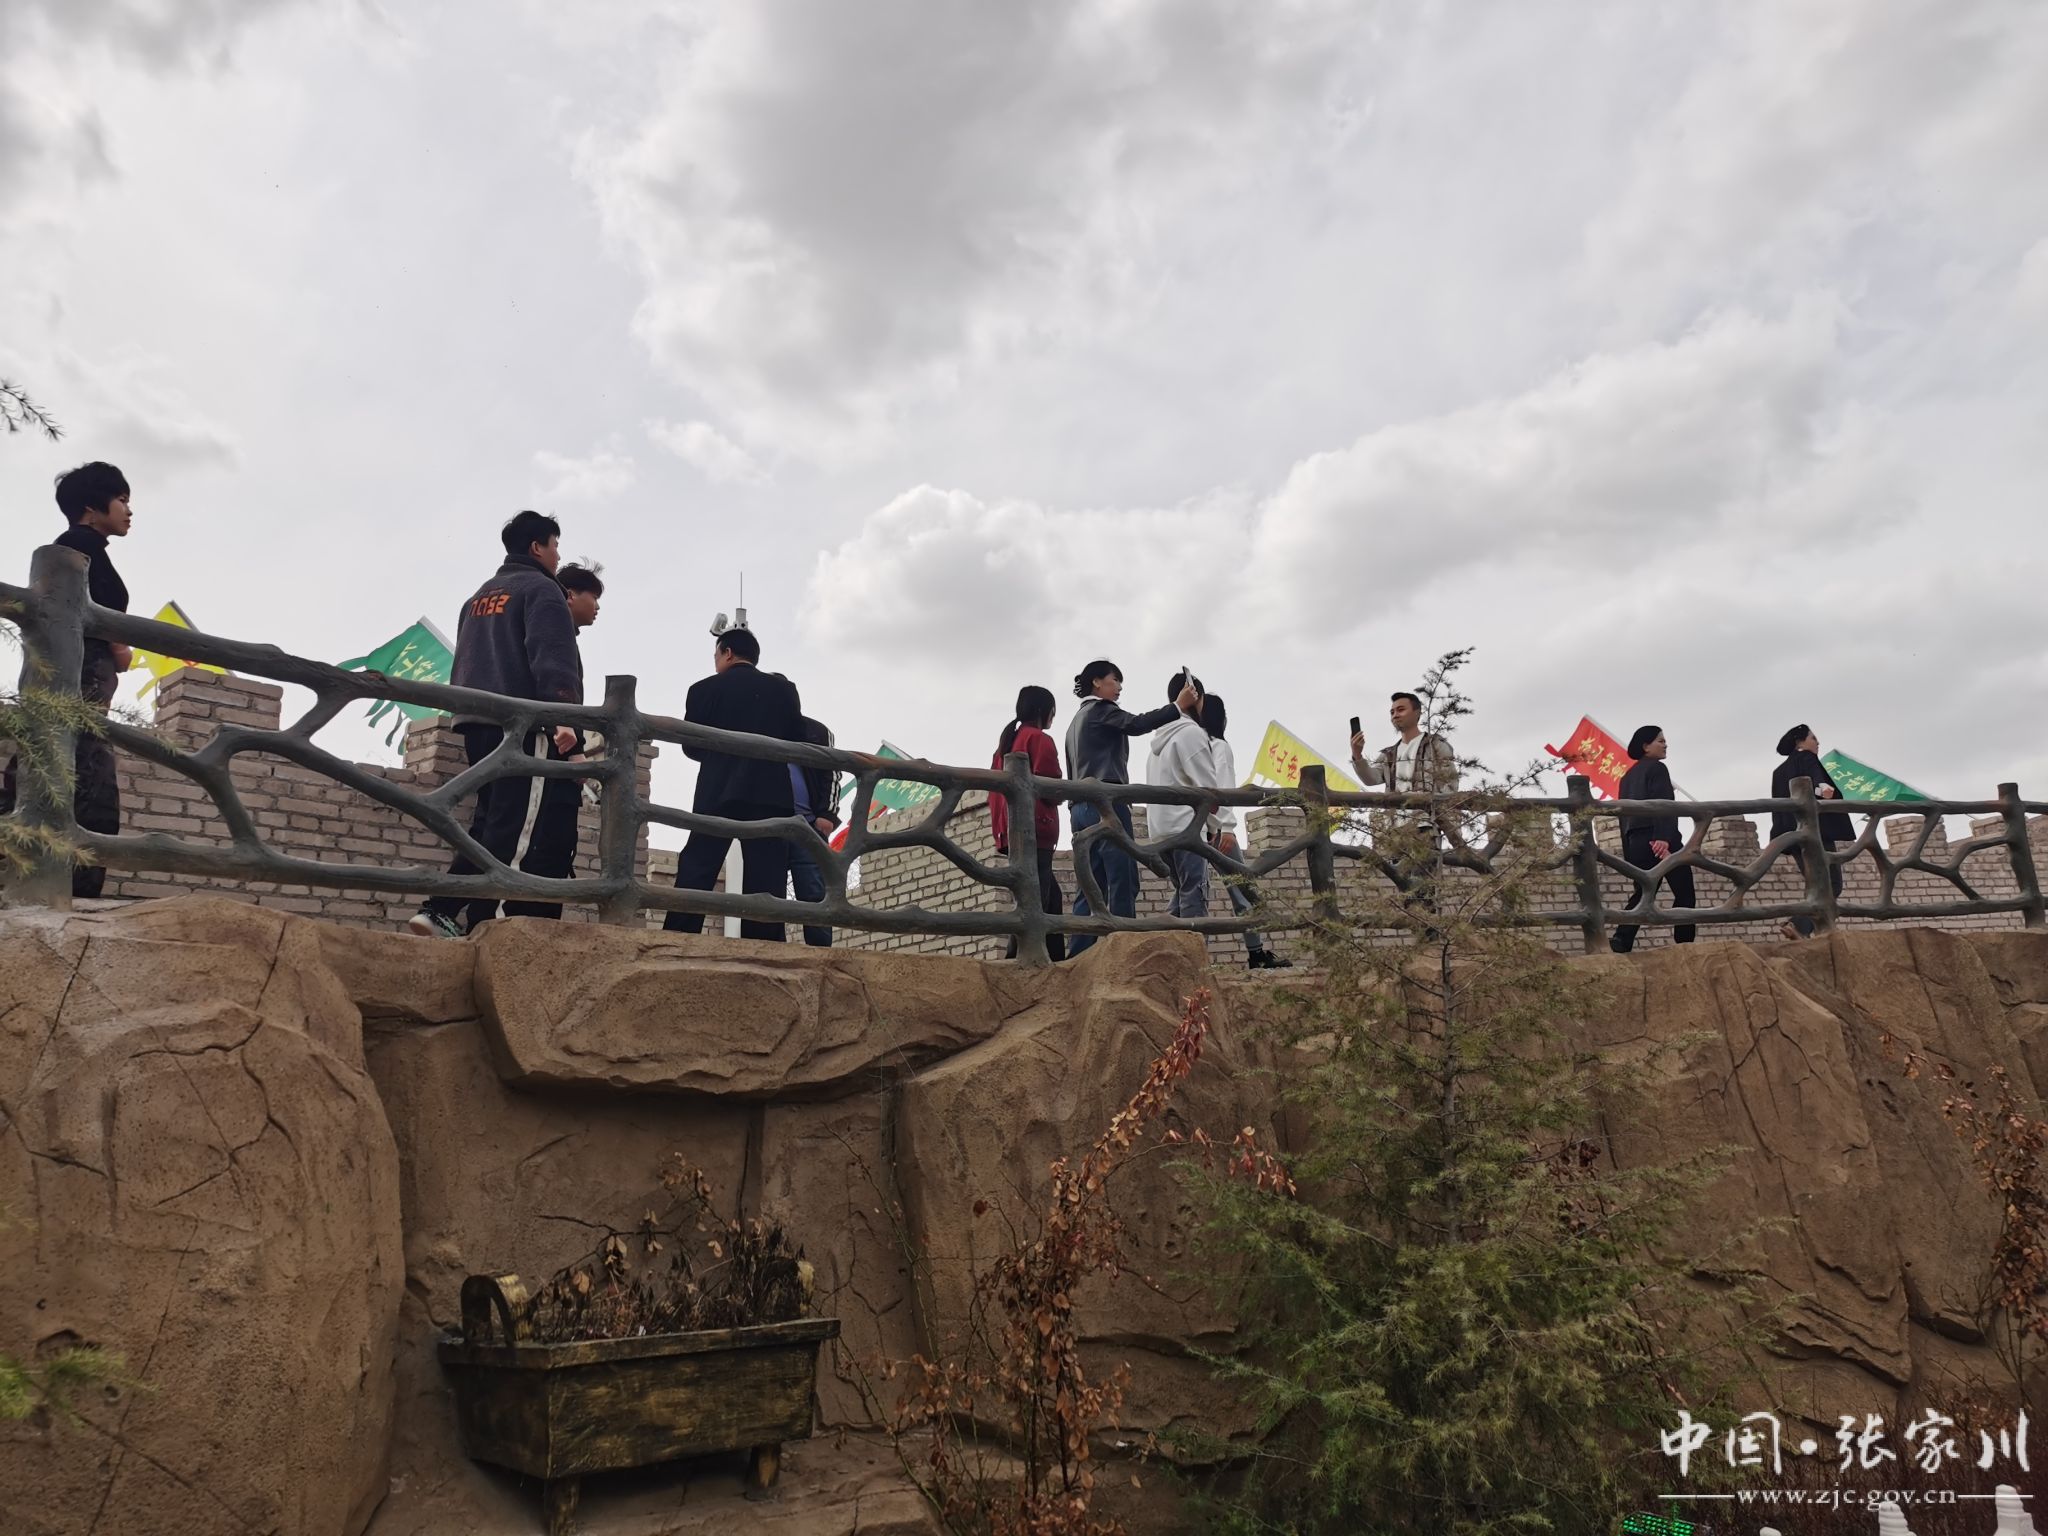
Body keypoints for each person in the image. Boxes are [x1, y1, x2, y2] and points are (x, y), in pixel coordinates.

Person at [410, 511, 585, 937]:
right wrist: (562, 718)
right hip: (520, 725)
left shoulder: (479, 597)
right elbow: (553, 659)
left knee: (490, 820)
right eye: (555, 545)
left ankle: (453, 915)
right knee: (520, 827)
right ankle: (462, 915)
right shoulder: (542, 590)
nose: (558, 555)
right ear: (537, 548)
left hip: (475, 720)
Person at [1, 462, 134, 899]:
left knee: (41, 769)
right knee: (86, 784)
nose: (129, 510)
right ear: (93, 506)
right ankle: (74, 893)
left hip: (75, 681)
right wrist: (119, 647)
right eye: (122, 500)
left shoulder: (84, 548)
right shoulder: (77, 548)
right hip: (79, 681)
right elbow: (91, 621)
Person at [664, 627, 805, 941]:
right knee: (767, 874)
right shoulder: (783, 690)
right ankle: (765, 945)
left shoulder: (702, 690)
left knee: (698, 865)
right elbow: (796, 738)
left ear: (726, 652)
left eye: (716, 655)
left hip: (719, 790)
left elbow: (691, 745)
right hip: (771, 794)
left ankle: (678, 935)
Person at [1063, 659, 1199, 957]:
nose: (1120, 687)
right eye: (1115, 680)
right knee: (1122, 879)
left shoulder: (1075, 721)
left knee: (1090, 886)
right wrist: (1177, 706)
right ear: (1097, 682)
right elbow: (1137, 724)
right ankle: (1123, 952)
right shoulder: (1101, 711)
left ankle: (1077, 958)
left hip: (1079, 810)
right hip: (1107, 805)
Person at [1199, 694, 1290, 969]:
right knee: (1242, 892)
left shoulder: (1200, 745)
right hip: (1217, 830)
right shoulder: (1218, 746)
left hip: (1201, 827)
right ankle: (1256, 953)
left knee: (1190, 888)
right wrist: (1227, 828)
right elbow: (1225, 789)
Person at [989, 685, 1065, 962]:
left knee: (1048, 899)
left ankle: (1056, 959)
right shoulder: (1038, 739)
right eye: (1052, 712)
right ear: (1043, 712)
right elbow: (1051, 787)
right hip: (1035, 830)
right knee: (1036, 901)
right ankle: (1017, 959)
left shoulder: (1006, 743)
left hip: (1009, 832)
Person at [1608, 725, 1695, 954]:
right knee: (1685, 891)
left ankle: (1621, 939)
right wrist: (1663, 838)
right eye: (1660, 740)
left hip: (1636, 842)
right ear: (1646, 746)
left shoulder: (1626, 777)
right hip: (1660, 838)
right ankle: (1685, 943)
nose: (1665, 744)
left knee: (1644, 892)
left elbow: (1623, 816)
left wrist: (1629, 850)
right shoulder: (1658, 769)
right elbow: (1664, 804)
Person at [1147, 670, 1222, 920]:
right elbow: (1207, 786)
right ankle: (1195, 956)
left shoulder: (1159, 739)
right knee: (1195, 893)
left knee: (1182, 892)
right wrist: (1214, 826)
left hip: (1160, 830)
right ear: (1195, 696)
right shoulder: (1191, 733)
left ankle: (1171, 950)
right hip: (1186, 828)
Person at [1771, 725, 1853, 941]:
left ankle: (1810, 931)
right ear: (1800, 741)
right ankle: (1799, 925)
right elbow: (1821, 785)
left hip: (1793, 836)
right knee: (1831, 885)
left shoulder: (1778, 772)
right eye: (1813, 738)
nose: (1817, 743)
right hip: (1815, 833)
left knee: (1814, 885)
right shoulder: (1806, 757)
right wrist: (1825, 790)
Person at [786, 713, 840, 947]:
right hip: (769, 824)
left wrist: (827, 815)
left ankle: (820, 953)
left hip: (808, 825)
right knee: (766, 890)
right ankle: (771, 949)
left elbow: (832, 771)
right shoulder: (757, 724)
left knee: (813, 891)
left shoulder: (815, 730)